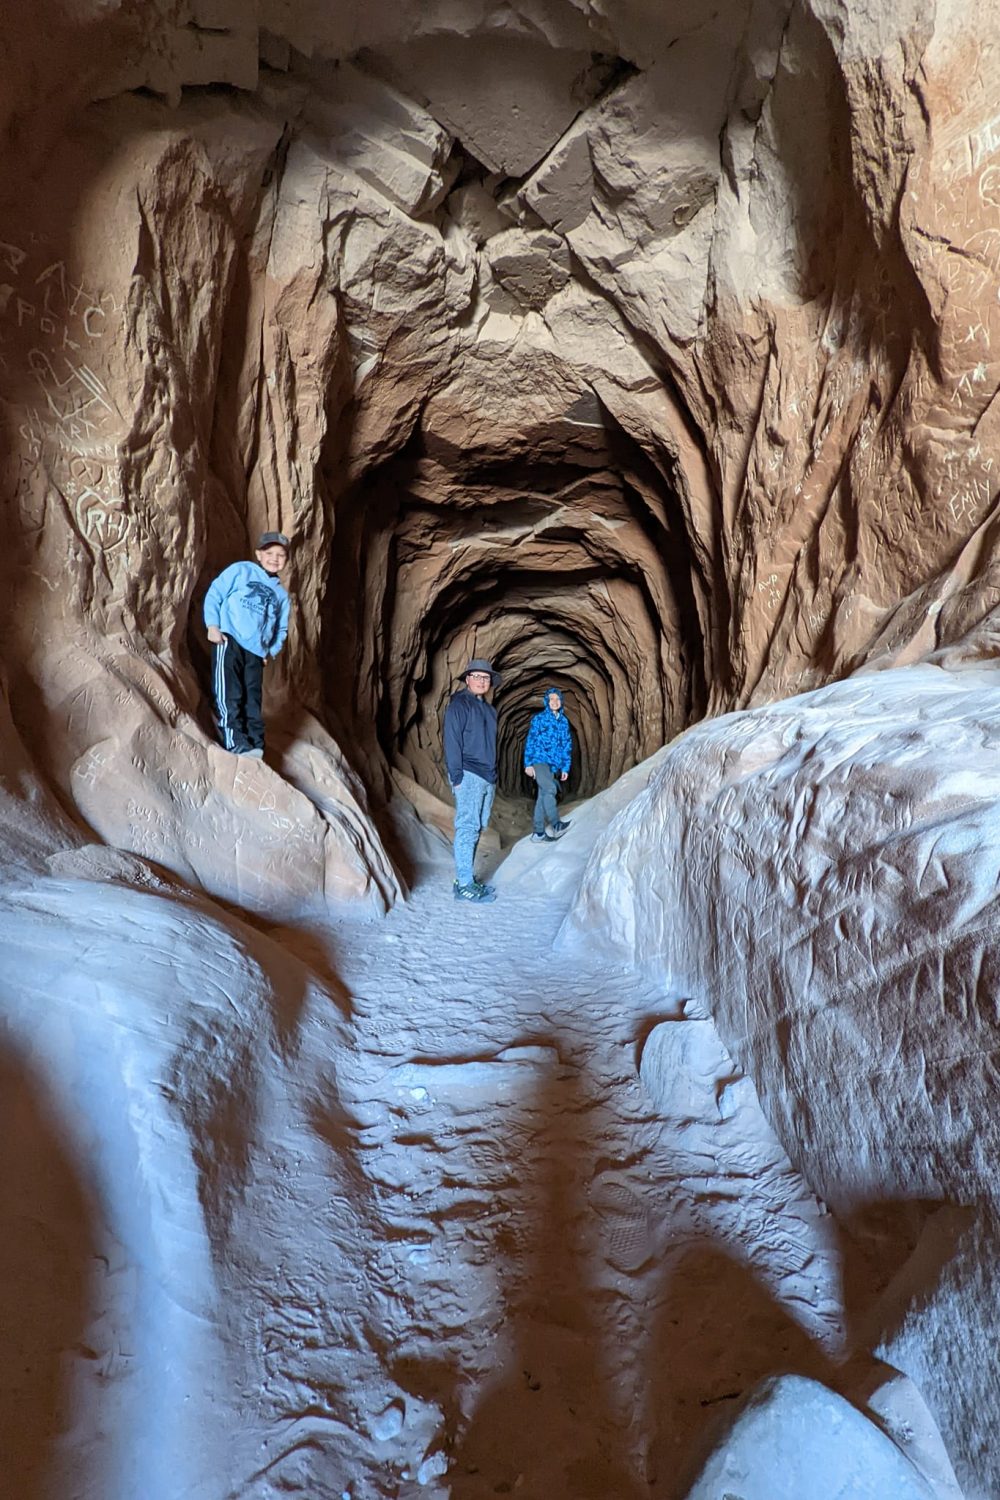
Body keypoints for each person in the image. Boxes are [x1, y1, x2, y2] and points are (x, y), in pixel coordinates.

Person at [204, 531, 291, 758]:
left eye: (280, 555)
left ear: (286, 560)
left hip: (256, 651)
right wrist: (212, 626)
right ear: (259, 554)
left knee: (252, 699)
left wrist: (269, 651)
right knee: (230, 692)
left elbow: (281, 629)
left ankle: (255, 744)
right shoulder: (242, 570)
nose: (274, 558)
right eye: (269, 553)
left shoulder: (281, 595)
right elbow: (216, 593)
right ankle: (234, 741)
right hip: (229, 638)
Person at [444, 658, 500, 903]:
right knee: (467, 827)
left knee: (478, 827)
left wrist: (494, 776)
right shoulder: (459, 705)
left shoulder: (490, 710)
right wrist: (456, 776)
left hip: (488, 777)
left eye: (485, 678)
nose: (481, 681)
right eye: (476, 676)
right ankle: (464, 884)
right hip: (468, 773)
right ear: (467, 679)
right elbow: (452, 741)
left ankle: (467, 879)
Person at [524, 686, 572, 842]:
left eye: (557, 699)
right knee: (550, 788)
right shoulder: (539, 719)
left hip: (553, 765)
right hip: (539, 760)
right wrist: (528, 764)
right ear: (546, 701)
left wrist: (565, 767)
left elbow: (566, 745)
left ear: (561, 701)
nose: (554, 702)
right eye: (551, 699)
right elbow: (530, 741)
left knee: (542, 795)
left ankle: (538, 833)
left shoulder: (563, 722)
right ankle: (556, 824)